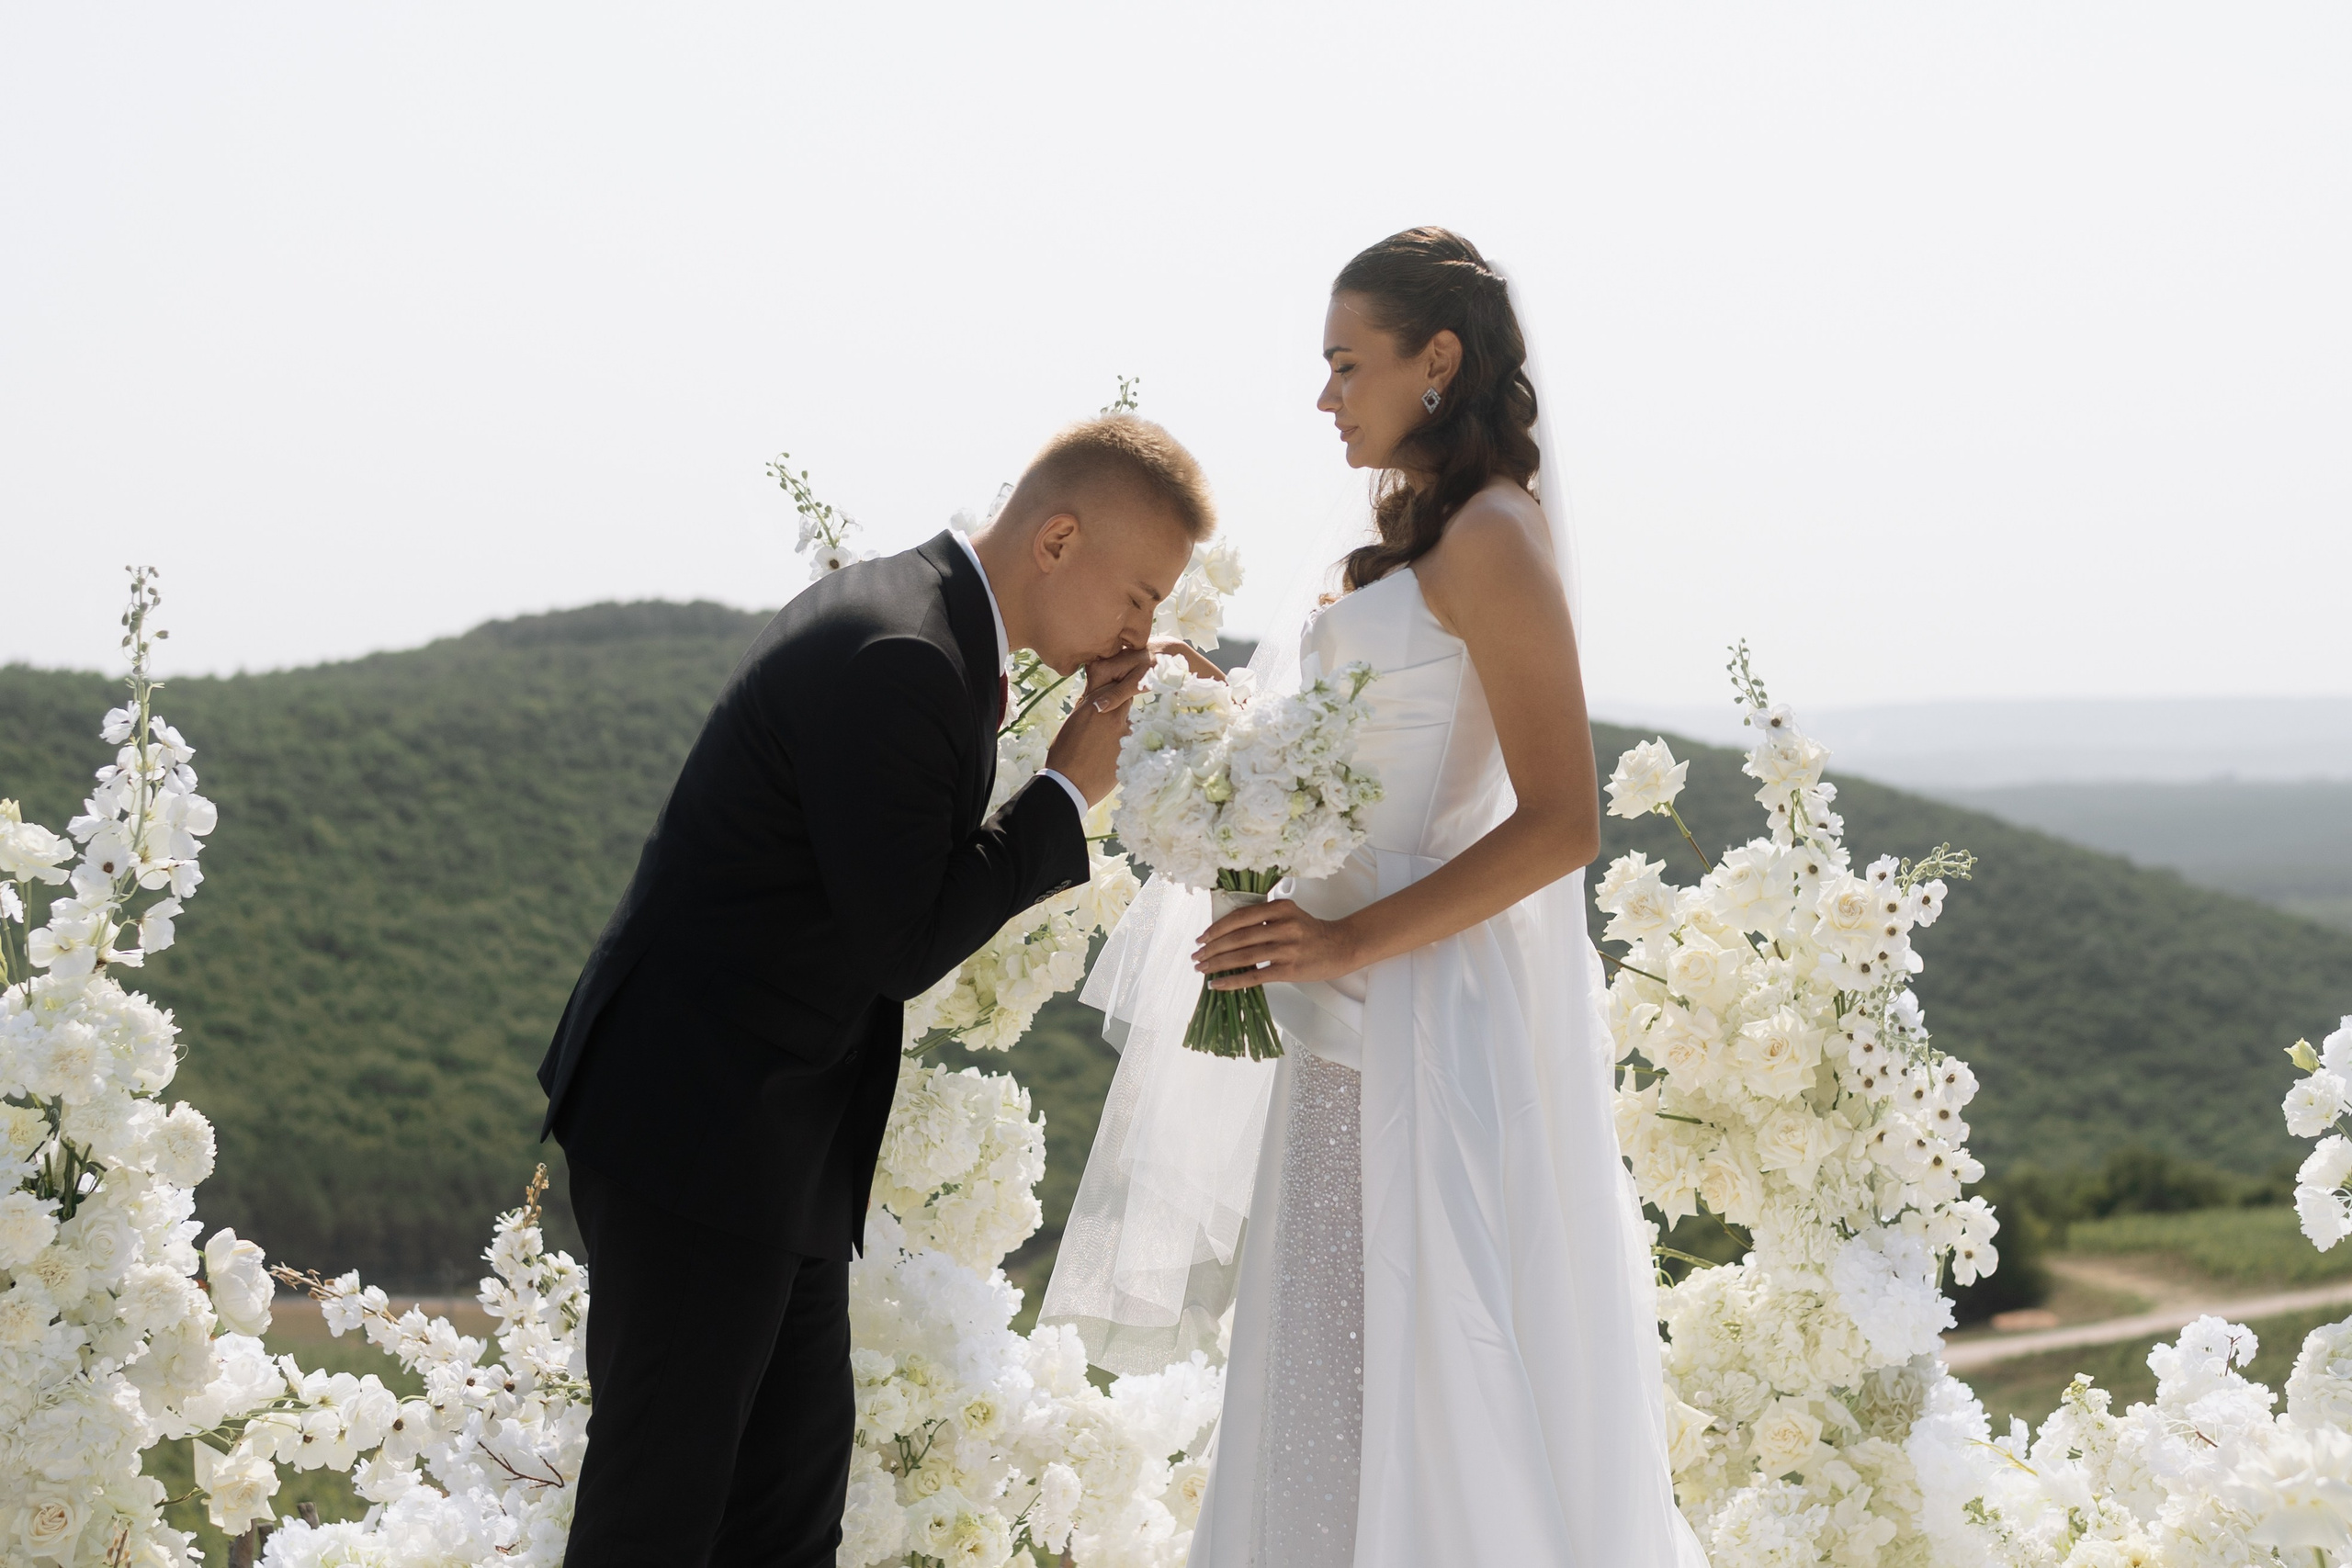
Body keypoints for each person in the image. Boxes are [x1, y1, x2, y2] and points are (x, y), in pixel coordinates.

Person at [1043, 229, 1708, 1566]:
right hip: (1336, 1012)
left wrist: (1349, 932)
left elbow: (1564, 818)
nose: (1326, 397)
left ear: (1437, 360)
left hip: (1423, 1009)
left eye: (1349, 364)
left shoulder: (1499, 538)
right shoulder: (1415, 533)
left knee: (1419, 1351)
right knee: (1324, 1365)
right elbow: (1364, 746)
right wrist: (1203, 711)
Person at [536, 414, 1214, 1567]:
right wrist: (1063, 792)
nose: (1140, 628)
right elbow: (899, 941)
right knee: (658, 1518)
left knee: (786, 1514)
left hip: (770, 1141)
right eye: (1141, 595)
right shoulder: (904, 650)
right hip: (698, 1133)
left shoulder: (923, 616)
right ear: (1058, 540)